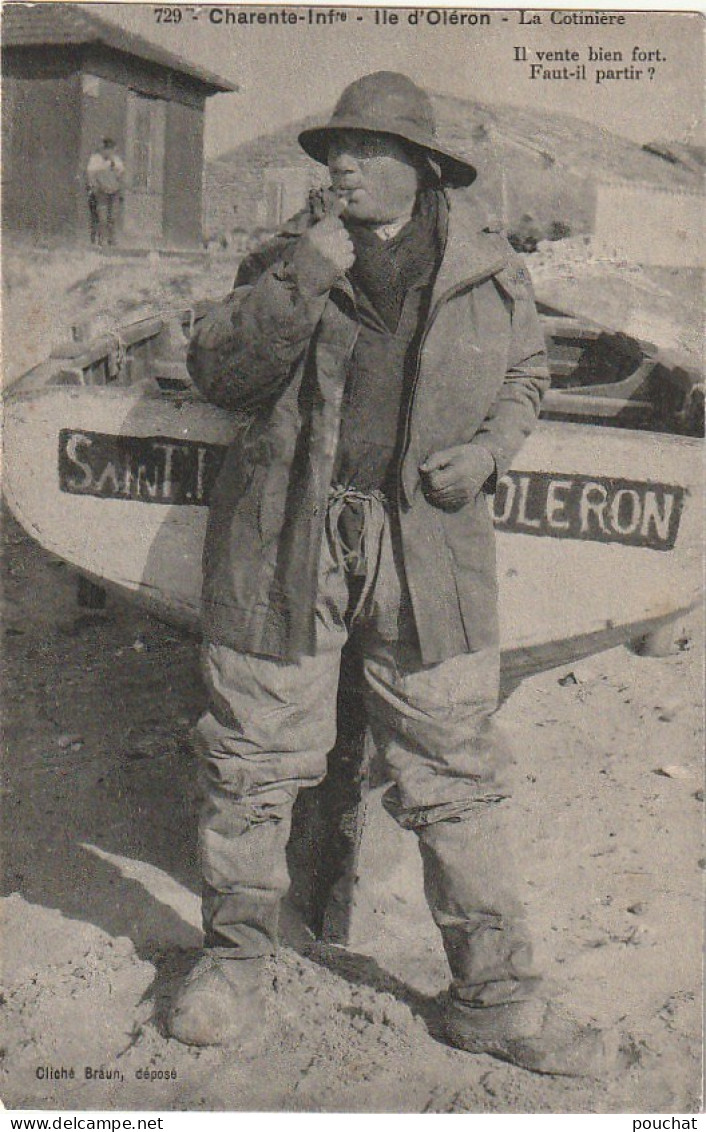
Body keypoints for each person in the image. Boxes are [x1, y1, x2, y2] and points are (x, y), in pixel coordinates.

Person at [170, 72, 615, 1076]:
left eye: (366, 149)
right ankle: (235, 960)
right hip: (284, 542)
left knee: (456, 774)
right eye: (334, 148)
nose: (341, 164)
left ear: (421, 167)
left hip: (426, 555)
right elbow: (218, 374)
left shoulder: (488, 272)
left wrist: (491, 452)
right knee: (250, 757)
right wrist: (303, 278)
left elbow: (526, 373)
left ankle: (492, 996)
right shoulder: (284, 259)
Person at [85, 137, 124, 247]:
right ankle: (100, 240)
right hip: (101, 191)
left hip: (113, 191)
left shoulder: (116, 160)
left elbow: (119, 175)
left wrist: (112, 165)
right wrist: (93, 187)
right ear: (103, 149)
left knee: (112, 217)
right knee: (101, 217)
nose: (109, 152)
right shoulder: (95, 159)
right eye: (107, 149)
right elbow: (91, 175)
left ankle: (111, 240)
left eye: (111, 149)